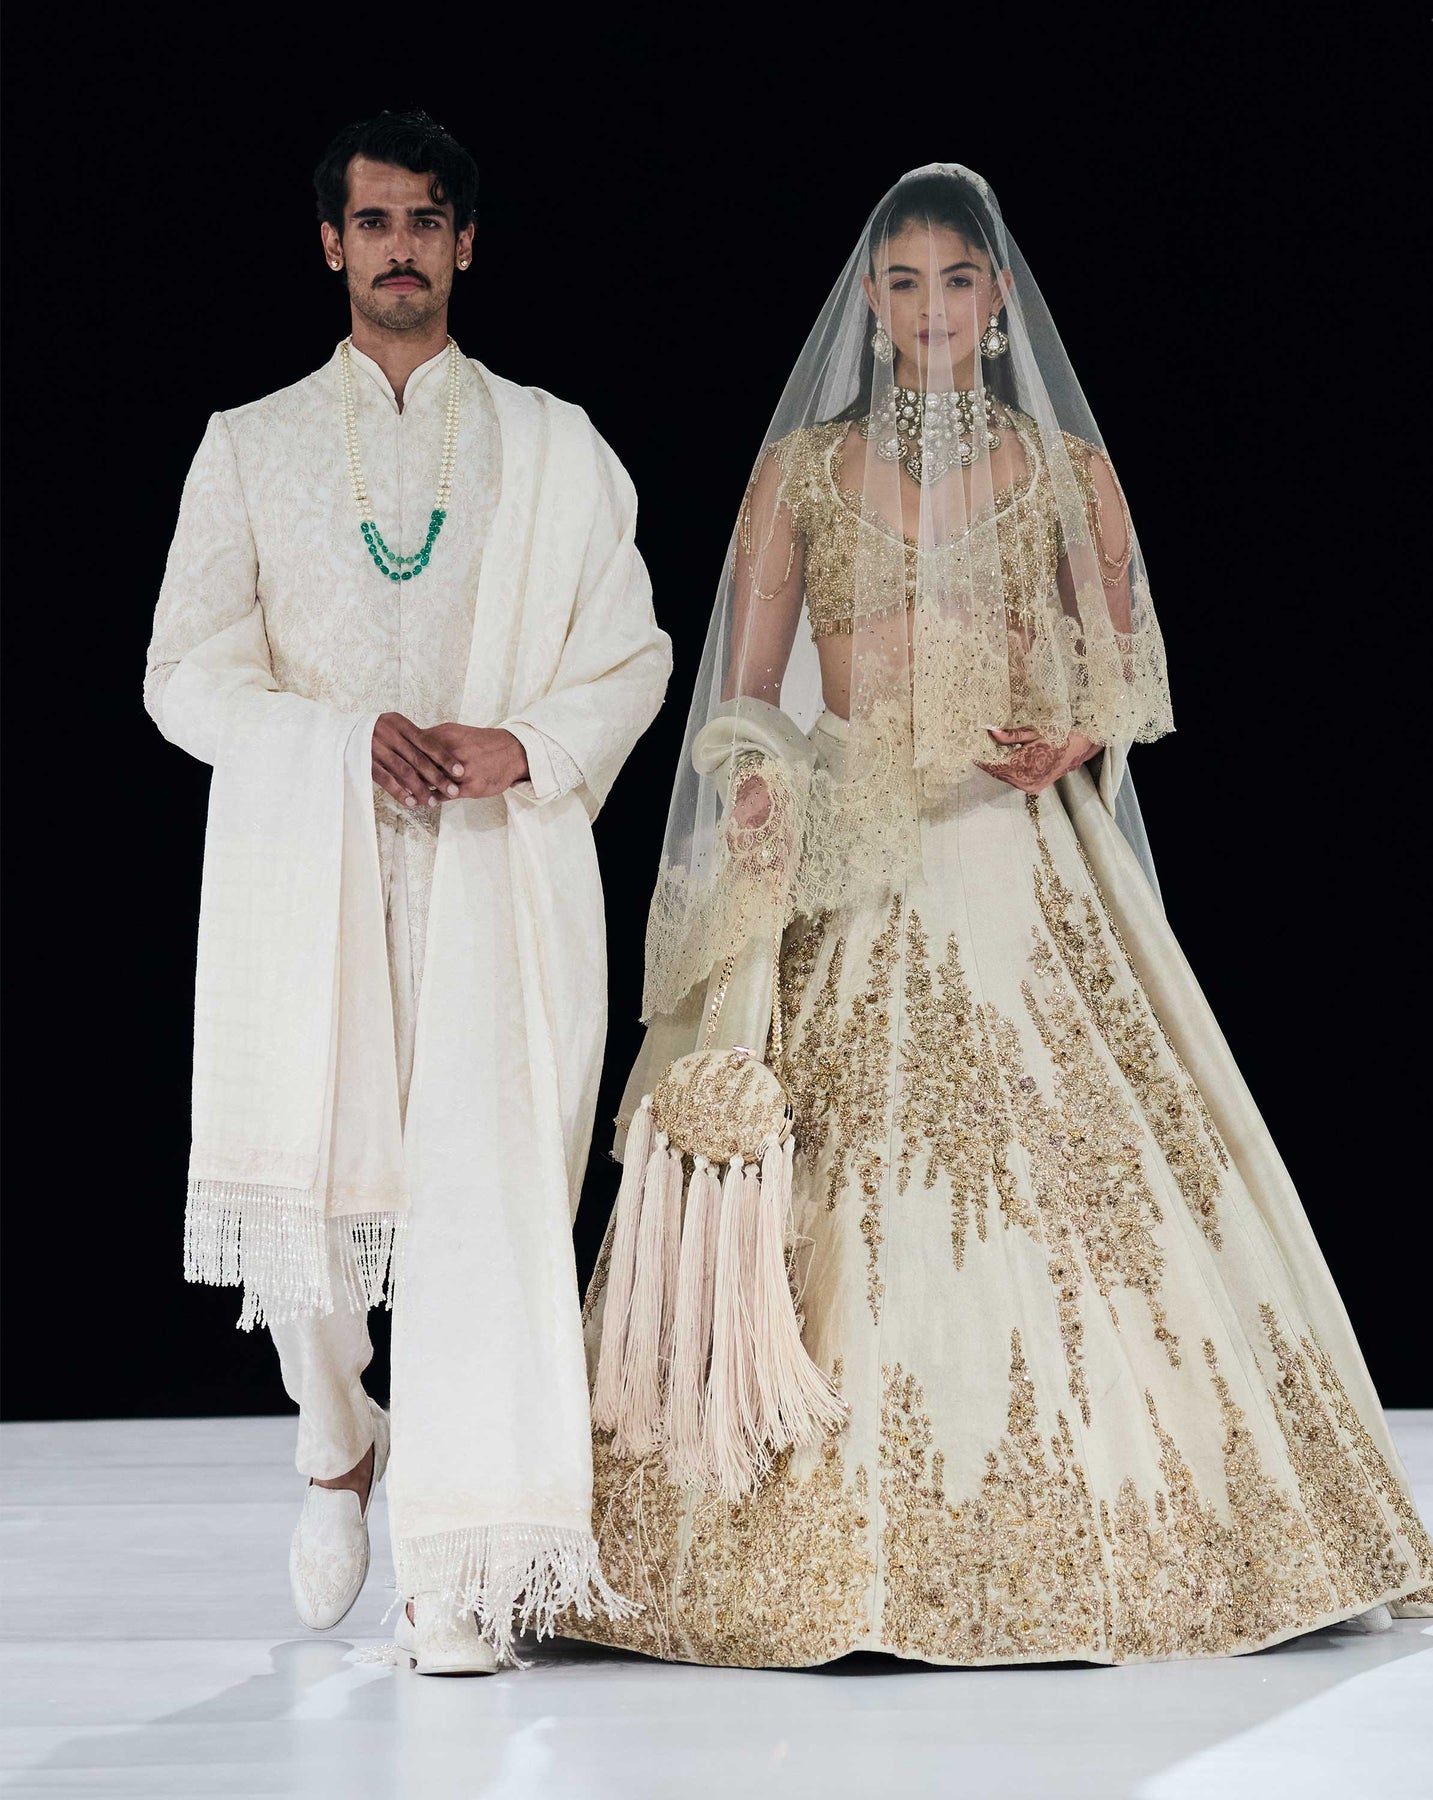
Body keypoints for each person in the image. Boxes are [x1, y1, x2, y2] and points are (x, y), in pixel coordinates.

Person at [564, 164, 1431, 1669]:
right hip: (855, 852)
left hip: (1021, 857)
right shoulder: (799, 474)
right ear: (870, 300)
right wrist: (760, 781)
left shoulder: (1065, 470)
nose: (929, 308)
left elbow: (1130, 665)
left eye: (954, 281)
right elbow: (741, 698)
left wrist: (1079, 732)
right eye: (902, 282)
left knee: (1089, 1164)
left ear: (998, 296)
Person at [144, 110, 671, 1673]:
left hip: (493, 878)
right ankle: (335, 1437)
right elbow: (182, 675)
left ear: (463, 244)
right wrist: (330, 742)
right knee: (310, 1211)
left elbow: (630, 652)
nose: (398, 249)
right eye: (372, 222)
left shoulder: (551, 444)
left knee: (479, 1212)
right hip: (310, 876)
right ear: (331, 243)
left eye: (425, 221)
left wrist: (528, 743)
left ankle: (458, 1565)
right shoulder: (250, 445)